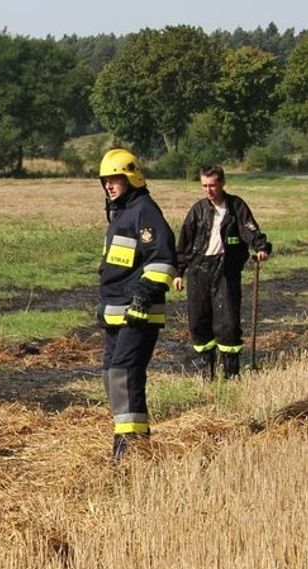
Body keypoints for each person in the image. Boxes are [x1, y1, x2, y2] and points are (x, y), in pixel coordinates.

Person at [95, 148, 178, 462]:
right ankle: (126, 443)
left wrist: (143, 296)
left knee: (124, 375)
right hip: (117, 314)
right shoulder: (121, 214)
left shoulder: (144, 210)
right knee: (113, 377)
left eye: (115, 179)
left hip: (138, 313)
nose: (109, 186)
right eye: (105, 180)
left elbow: (163, 259)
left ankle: (132, 450)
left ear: (131, 178)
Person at [174, 164, 272, 379]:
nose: (208, 190)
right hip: (198, 271)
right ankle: (205, 374)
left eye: (212, 185)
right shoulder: (197, 211)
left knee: (227, 323)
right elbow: (184, 243)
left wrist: (262, 248)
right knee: (199, 323)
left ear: (222, 183)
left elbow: (251, 230)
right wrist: (179, 272)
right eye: (204, 186)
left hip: (226, 271)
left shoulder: (236, 207)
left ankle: (231, 375)